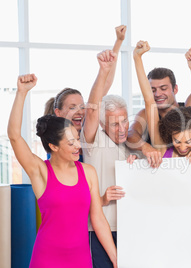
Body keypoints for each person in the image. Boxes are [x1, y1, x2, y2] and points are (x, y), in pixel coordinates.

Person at [8, 74, 117, 268]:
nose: (78, 145)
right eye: (71, 142)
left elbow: (98, 218)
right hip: (46, 259)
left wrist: (116, 259)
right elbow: (14, 136)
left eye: (77, 138)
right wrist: (22, 93)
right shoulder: (40, 171)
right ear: (54, 147)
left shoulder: (88, 172)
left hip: (81, 259)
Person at [126, 4, 191, 163]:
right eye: (153, 89)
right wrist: (137, 58)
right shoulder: (159, 139)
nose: (157, 94)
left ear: (175, 89)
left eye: (163, 88)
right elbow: (148, 102)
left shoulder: (190, 110)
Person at [80, 49, 138, 267]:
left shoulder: (129, 148)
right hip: (98, 229)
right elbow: (93, 110)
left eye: (125, 121)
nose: (122, 128)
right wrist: (103, 71)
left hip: (128, 228)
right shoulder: (94, 142)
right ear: (103, 125)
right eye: (115, 123)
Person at [43, 25, 127, 162]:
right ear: (58, 113)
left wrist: (118, 42)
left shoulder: (87, 130)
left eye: (82, 107)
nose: (80, 111)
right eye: (72, 107)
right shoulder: (55, 139)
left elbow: (105, 83)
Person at [133, 41, 191, 165]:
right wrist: (137, 58)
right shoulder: (161, 147)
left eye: (188, 141)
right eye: (177, 141)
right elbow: (149, 101)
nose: (182, 147)